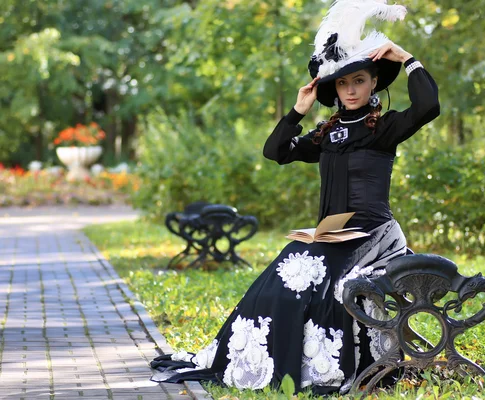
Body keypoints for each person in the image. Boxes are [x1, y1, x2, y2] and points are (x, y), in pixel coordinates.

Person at [150, 0, 440, 394]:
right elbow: (277, 152)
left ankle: (321, 369)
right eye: (342, 82)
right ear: (333, 88)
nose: (351, 90)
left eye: (358, 81)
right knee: (275, 282)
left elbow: (428, 105)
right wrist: (297, 111)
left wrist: (405, 57)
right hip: (330, 234)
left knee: (322, 290)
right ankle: (260, 362)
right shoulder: (327, 134)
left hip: (373, 234)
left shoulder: (384, 127)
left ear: (373, 82)